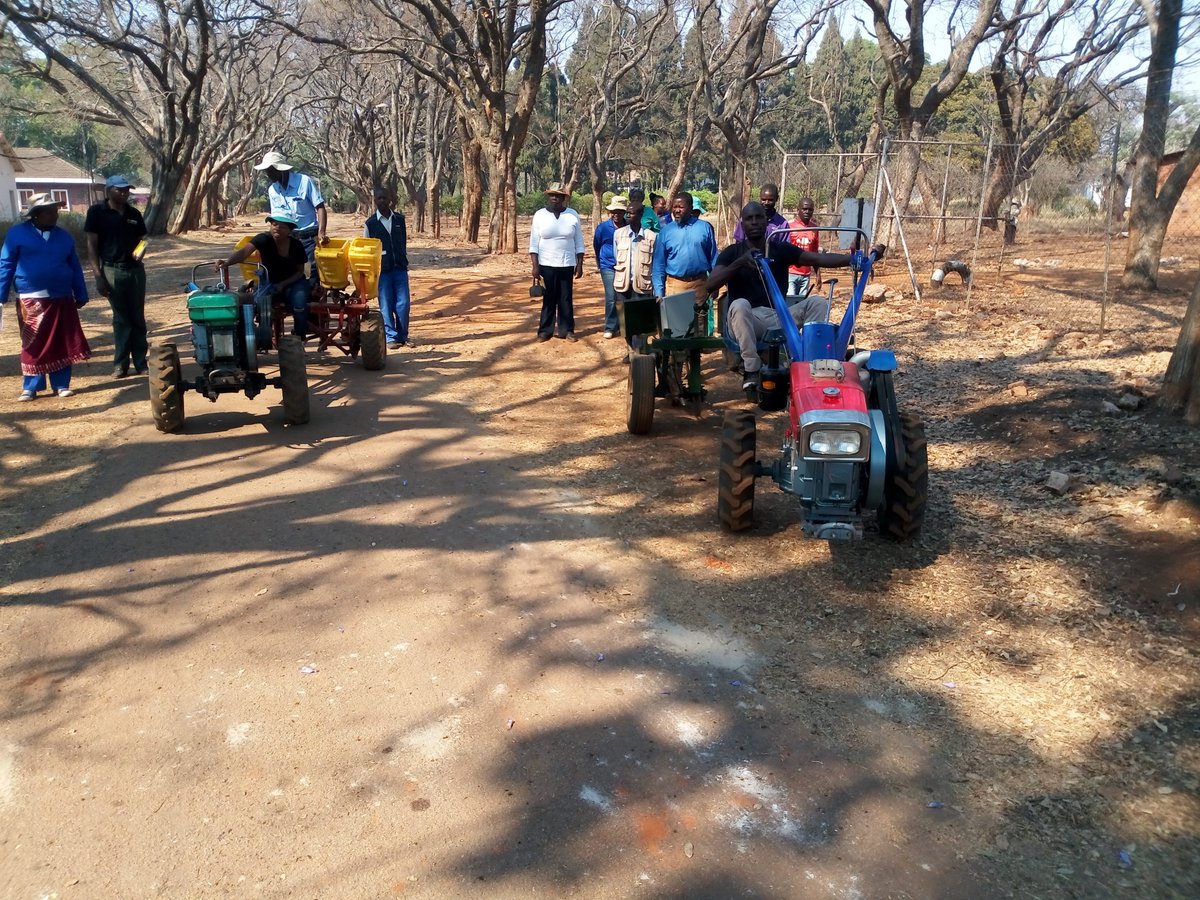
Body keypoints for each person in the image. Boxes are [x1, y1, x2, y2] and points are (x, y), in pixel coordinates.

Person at [707, 201, 881, 392]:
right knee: (739, 304)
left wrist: (853, 259)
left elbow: (817, 258)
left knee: (817, 302)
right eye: (749, 218)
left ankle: (811, 362)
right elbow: (710, 285)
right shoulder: (732, 252)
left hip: (778, 317)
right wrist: (739, 262)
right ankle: (751, 369)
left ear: (767, 221)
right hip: (747, 320)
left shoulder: (780, 249)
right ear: (742, 224)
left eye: (759, 217)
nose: (754, 222)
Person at [0, 194, 91, 400]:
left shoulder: (64, 236)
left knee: (62, 340)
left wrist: (81, 292)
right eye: (49, 212)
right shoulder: (17, 235)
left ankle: (61, 384)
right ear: (36, 215)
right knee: (33, 342)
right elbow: (6, 264)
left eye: (56, 211)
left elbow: (74, 266)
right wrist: (1, 295)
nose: (55, 215)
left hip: (62, 296)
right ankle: (31, 386)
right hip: (31, 297)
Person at [85, 174, 148, 378]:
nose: (124, 193)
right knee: (121, 318)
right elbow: (92, 246)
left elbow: (142, 240)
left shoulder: (134, 214)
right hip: (112, 270)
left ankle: (141, 362)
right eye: (120, 189)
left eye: (127, 190)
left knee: (137, 316)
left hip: (135, 271)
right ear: (108, 190)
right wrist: (98, 275)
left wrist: (141, 251)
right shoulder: (96, 213)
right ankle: (120, 364)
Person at [217, 213, 311, 343]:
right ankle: (260, 335)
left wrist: (283, 284)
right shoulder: (263, 239)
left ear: (290, 230)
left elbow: (300, 272)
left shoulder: (296, 245)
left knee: (300, 304)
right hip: (269, 282)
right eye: (274, 224)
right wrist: (226, 263)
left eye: (282, 227)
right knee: (257, 304)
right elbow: (244, 253)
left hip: (293, 282)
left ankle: (299, 335)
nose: (277, 228)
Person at [529, 183, 585, 342]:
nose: (554, 198)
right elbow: (534, 243)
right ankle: (545, 331)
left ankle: (567, 330)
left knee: (566, 298)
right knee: (549, 298)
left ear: (563, 198)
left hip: (567, 263)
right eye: (551, 195)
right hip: (546, 264)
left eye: (558, 195)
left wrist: (579, 263)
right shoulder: (540, 215)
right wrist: (535, 266)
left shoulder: (572, 215)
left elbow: (579, 241)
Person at [254, 151, 327, 263]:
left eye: (271, 171)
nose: (268, 174)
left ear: (280, 169)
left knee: (310, 273)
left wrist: (321, 233)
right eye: (266, 171)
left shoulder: (304, 181)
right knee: (290, 271)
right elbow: (276, 217)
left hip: (309, 237)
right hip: (288, 238)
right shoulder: (272, 190)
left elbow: (320, 207)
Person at [363, 186, 412, 350]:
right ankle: (391, 337)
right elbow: (367, 249)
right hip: (382, 272)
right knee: (386, 304)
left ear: (390, 199)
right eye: (378, 198)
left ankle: (403, 336)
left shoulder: (400, 219)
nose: (382, 201)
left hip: (400, 268)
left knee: (403, 304)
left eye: (384, 198)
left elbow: (402, 243)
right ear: (375, 201)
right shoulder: (370, 224)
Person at [651, 192, 718, 304]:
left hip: (700, 285)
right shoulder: (665, 232)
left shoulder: (704, 228)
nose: (677, 210)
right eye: (674, 207)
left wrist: (715, 284)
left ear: (691, 208)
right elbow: (659, 265)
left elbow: (713, 259)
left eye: (681, 207)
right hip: (675, 286)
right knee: (676, 321)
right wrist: (659, 292)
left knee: (700, 320)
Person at [612, 195, 658, 347]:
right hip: (622, 285)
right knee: (625, 322)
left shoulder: (651, 237)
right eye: (627, 213)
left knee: (640, 321)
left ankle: (638, 351)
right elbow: (615, 257)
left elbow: (655, 263)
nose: (628, 216)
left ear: (640, 215)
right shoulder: (618, 234)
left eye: (632, 213)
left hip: (642, 285)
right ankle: (630, 348)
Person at [594, 195, 627, 339]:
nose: (616, 214)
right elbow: (597, 245)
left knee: (624, 296)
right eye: (614, 211)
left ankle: (623, 326)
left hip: (625, 266)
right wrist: (600, 262)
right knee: (611, 296)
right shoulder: (603, 228)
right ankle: (610, 327)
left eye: (619, 211)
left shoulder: (629, 226)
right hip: (608, 266)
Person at [787, 197, 820, 298]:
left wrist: (818, 274)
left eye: (810, 210)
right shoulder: (789, 226)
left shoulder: (814, 228)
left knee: (802, 305)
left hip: (806, 274)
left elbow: (815, 253)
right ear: (798, 210)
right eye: (804, 209)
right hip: (790, 273)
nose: (807, 212)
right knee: (790, 304)